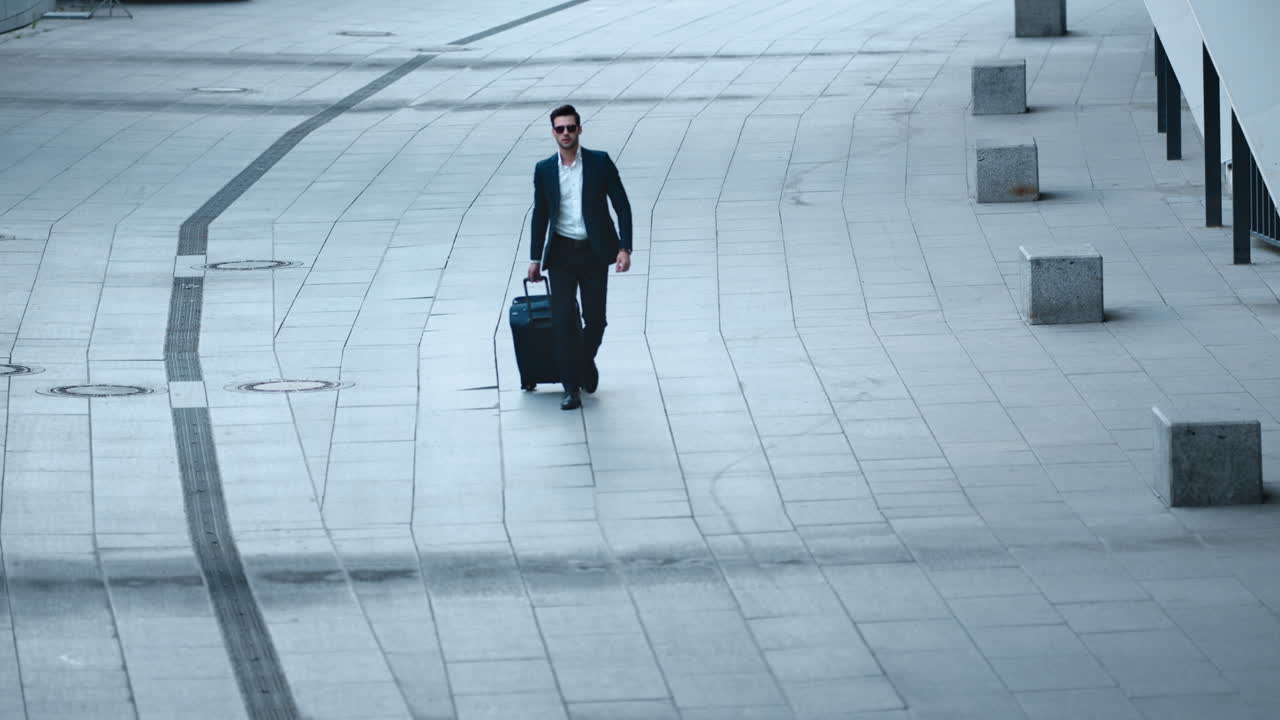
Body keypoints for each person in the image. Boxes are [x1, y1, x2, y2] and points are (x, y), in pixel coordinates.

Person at [528, 104, 632, 410]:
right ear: (553, 133)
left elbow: (622, 206)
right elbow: (540, 214)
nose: (565, 134)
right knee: (562, 322)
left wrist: (624, 247)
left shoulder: (599, 163)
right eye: (559, 129)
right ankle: (570, 387)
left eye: (570, 128)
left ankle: (584, 363)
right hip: (560, 253)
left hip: (594, 253)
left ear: (579, 130)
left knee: (596, 321)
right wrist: (535, 257)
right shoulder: (544, 169)